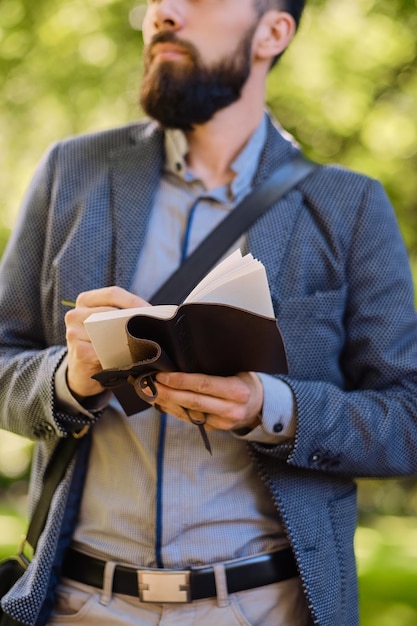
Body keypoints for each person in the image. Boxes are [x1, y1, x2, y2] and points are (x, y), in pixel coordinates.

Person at [1, 0, 417, 624]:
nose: (161, 12)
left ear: (272, 32)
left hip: (266, 608)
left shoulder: (350, 204)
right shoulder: (72, 170)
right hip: (76, 604)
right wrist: (68, 377)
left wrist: (271, 409)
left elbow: (407, 419)